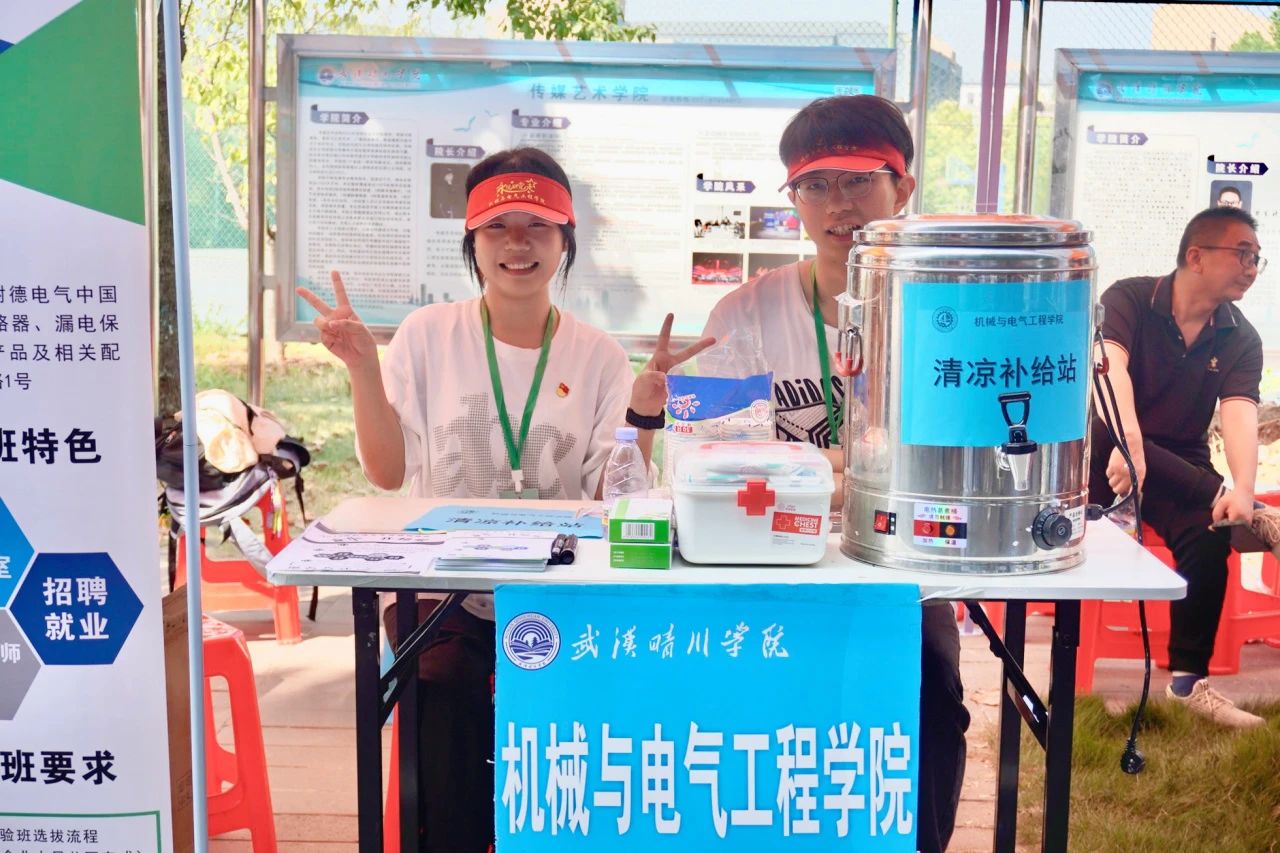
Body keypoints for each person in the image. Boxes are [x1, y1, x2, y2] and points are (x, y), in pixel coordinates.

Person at [299, 146, 711, 851]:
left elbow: (613, 498)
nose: (518, 244)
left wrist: (643, 416)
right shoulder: (427, 335)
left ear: (565, 240)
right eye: (498, 227)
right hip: (443, 594)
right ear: (472, 240)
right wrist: (364, 368)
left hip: (561, 592)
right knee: (443, 711)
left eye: (537, 226)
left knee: (574, 732)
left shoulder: (599, 355)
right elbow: (388, 474)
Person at [702, 95, 969, 853]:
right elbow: (712, 466)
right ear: (794, 198)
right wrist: (854, 469)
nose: (837, 205)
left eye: (858, 180)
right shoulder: (741, 315)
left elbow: (949, 470)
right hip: (766, 560)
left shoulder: (947, 315)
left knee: (930, 692)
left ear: (902, 187)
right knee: (744, 702)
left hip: (901, 562)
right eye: (815, 185)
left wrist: (808, 468)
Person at [1090, 205, 1271, 728]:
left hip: (1178, 467)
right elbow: (1107, 372)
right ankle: (1249, 511)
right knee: (1108, 436)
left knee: (1212, 534)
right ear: (1196, 256)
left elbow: (1239, 412)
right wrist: (1130, 444)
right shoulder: (1129, 298)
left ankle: (1189, 685)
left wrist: (1242, 488)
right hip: (1110, 445)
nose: (1252, 268)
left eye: (1257, 259)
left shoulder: (1241, 337)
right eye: (1242, 254)